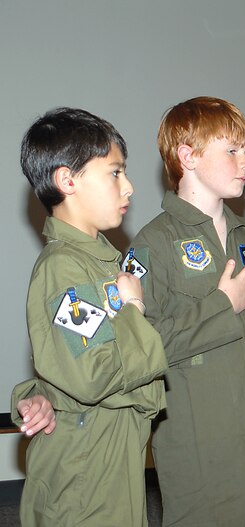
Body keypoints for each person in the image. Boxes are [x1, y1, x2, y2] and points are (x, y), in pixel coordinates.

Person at [130, 96, 245, 526]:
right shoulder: (152, 244)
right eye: (232, 151)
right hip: (200, 447)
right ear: (187, 156)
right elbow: (141, 350)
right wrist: (222, 306)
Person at [10, 107, 168, 526]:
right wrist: (133, 309)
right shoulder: (65, 267)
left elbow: (79, 367)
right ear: (68, 180)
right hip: (86, 474)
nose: (129, 186)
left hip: (110, 456)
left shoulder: (99, 262)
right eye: (114, 172)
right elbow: (96, 375)